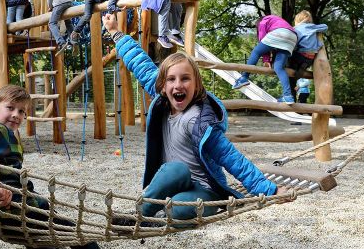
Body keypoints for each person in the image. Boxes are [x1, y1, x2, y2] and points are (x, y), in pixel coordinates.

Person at [101, 13, 287, 224]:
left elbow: (234, 160)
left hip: (205, 193)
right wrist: (116, 32)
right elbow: (139, 63)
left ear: (197, 86)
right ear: (162, 86)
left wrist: (270, 190)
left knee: (180, 210)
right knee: (176, 169)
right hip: (175, 183)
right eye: (171, 79)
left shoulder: (201, 122)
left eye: (185, 79)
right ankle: (139, 215)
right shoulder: (162, 101)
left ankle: (160, 217)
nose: (178, 85)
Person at [0, 85, 101, 249]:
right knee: (68, 230)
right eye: (10, 108)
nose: (16, 115)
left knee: (31, 238)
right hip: (6, 206)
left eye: (21, 111)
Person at [232, 15, 298, 104]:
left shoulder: (263, 21)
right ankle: (288, 96)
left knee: (256, 51)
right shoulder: (276, 20)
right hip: (292, 37)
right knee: (279, 68)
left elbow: (262, 40)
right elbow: (268, 46)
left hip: (280, 33)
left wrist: (266, 59)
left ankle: (244, 77)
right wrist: (267, 60)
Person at [68, 0, 138, 45]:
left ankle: (104, 30)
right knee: (87, 16)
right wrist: (119, 9)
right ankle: (75, 32)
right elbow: (110, 6)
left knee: (109, 14)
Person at [288, 10, 328, 97]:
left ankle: (294, 72)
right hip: (311, 57)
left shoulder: (295, 28)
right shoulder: (312, 27)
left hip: (300, 55)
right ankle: (300, 70)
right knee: (298, 68)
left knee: (288, 57)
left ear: (297, 21)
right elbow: (325, 26)